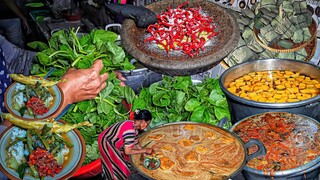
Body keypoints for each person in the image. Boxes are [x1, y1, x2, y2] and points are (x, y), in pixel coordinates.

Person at [98, 109, 153, 180]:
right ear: (142, 122)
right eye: (147, 123)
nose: (147, 126)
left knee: (125, 159)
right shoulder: (129, 130)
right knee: (117, 166)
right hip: (107, 142)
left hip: (114, 140)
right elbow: (127, 151)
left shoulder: (133, 125)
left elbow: (136, 142)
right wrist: (145, 150)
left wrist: (143, 152)